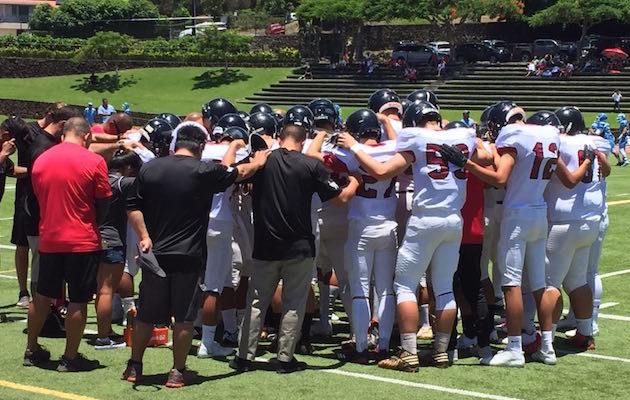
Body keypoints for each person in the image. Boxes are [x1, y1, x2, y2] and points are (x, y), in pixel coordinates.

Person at [122, 123, 267, 388]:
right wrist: (258, 161)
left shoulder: (151, 168)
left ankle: (134, 365)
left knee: (146, 314)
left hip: (155, 251)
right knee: (184, 316)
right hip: (188, 253)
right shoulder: (202, 170)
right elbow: (239, 172)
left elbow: (133, 206)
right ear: (200, 147)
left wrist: (144, 235)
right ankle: (177, 371)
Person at [335, 102, 478, 371]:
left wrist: (354, 146)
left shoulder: (416, 139)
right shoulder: (463, 135)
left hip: (425, 219)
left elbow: (381, 171)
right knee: (444, 287)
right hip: (453, 220)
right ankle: (441, 352)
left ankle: (409, 352)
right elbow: (488, 156)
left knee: (403, 285)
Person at [230, 120, 353, 374]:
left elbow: (235, 173)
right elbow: (340, 199)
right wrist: (355, 181)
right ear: (303, 140)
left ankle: (244, 357)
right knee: (293, 303)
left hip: (265, 244)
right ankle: (285, 358)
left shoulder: (263, 160)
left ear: (280, 137)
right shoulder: (311, 165)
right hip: (299, 246)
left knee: (256, 302)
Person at [25, 117, 112, 372]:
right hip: (81, 239)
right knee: (78, 299)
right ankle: (70, 356)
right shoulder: (94, 161)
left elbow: (35, 199)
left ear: (63, 135)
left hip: (49, 237)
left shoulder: (42, 160)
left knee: (42, 296)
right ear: (86, 136)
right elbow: (104, 202)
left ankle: (32, 348)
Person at [94, 150, 142, 350]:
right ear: (128, 168)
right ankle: (104, 337)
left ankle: (105, 331)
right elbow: (147, 182)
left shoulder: (99, 179)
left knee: (101, 288)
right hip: (112, 239)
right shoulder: (122, 182)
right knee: (106, 290)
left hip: (94, 237)